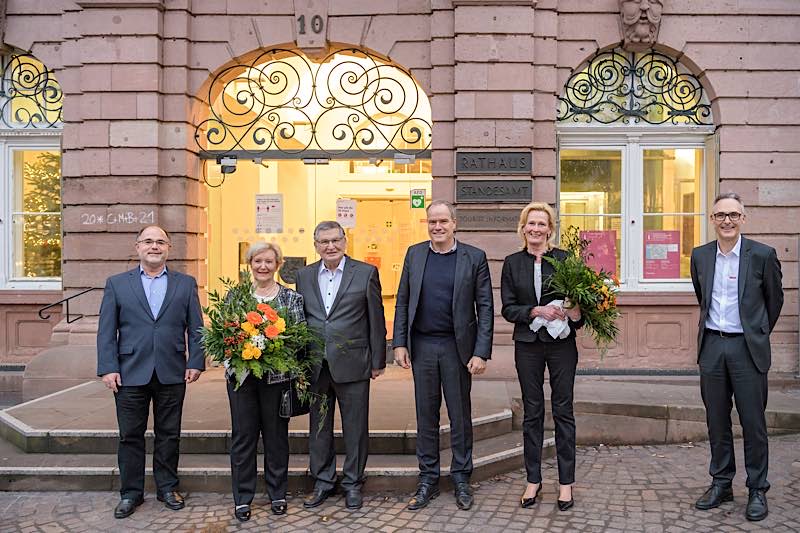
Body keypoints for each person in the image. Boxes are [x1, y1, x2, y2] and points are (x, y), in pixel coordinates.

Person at [96, 225, 205, 519]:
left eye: (160, 242)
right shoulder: (117, 283)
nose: (154, 246)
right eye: (148, 241)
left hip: (172, 371)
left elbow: (196, 327)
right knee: (130, 436)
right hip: (129, 372)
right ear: (137, 247)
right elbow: (106, 330)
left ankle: (167, 487)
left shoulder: (185, 283)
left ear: (168, 248)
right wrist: (108, 368)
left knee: (169, 434)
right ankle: (131, 493)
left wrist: (196, 361)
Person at [393, 200, 494, 511]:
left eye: (442, 221)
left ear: (454, 224)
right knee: (426, 415)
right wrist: (399, 343)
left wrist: (481, 351)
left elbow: (486, 307)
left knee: (460, 415)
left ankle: (462, 477)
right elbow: (403, 301)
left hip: (457, 348)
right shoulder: (415, 253)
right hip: (422, 346)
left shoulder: (473, 257)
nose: (437, 227)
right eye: (432, 222)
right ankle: (428, 480)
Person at [690, 191, 783, 522]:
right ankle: (721, 482)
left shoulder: (762, 255)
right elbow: (703, 297)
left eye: (733, 215)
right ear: (712, 220)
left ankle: (757, 488)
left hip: (747, 349)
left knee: (753, 422)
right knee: (716, 420)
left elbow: (774, 301)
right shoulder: (700, 256)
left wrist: (756, 333)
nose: (726, 221)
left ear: (743, 218)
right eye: (720, 215)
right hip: (712, 347)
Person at [295, 221, 387, 510]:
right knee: (319, 426)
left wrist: (377, 360)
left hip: (354, 362)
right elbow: (301, 319)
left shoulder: (365, 272)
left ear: (345, 241)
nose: (330, 246)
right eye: (324, 241)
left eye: (335, 240)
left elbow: (376, 318)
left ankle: (352, 483)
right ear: (315, 245)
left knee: (355, 428)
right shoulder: (304, 275)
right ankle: (322, 481)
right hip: (315, 365)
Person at [500, 202, 583, 512]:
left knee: (563, 411)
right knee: (532, 411)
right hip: (528, 344)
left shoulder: (565, 260)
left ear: (550, 229)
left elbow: (580, 310)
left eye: (541, 224)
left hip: (561, 345)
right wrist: (535, 310)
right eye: (530, 223)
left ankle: (565, 484)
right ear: (523, 228)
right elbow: (508, 308)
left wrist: (572, 311)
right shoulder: (512, 263)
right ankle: (533, 480)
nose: (535, 229)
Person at [226, 241, 305, 522]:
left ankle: (278, 493)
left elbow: (296, 340)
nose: (263, 266)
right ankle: (242, 497)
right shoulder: (235, 297)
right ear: (250, 264)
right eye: (258, 261)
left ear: (278, 265)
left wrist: (273, 351)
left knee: (276, 438)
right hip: (242, 380)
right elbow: (226, 338)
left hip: (278, 380)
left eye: (269, 262)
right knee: (243, 438)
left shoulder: (291, 298)